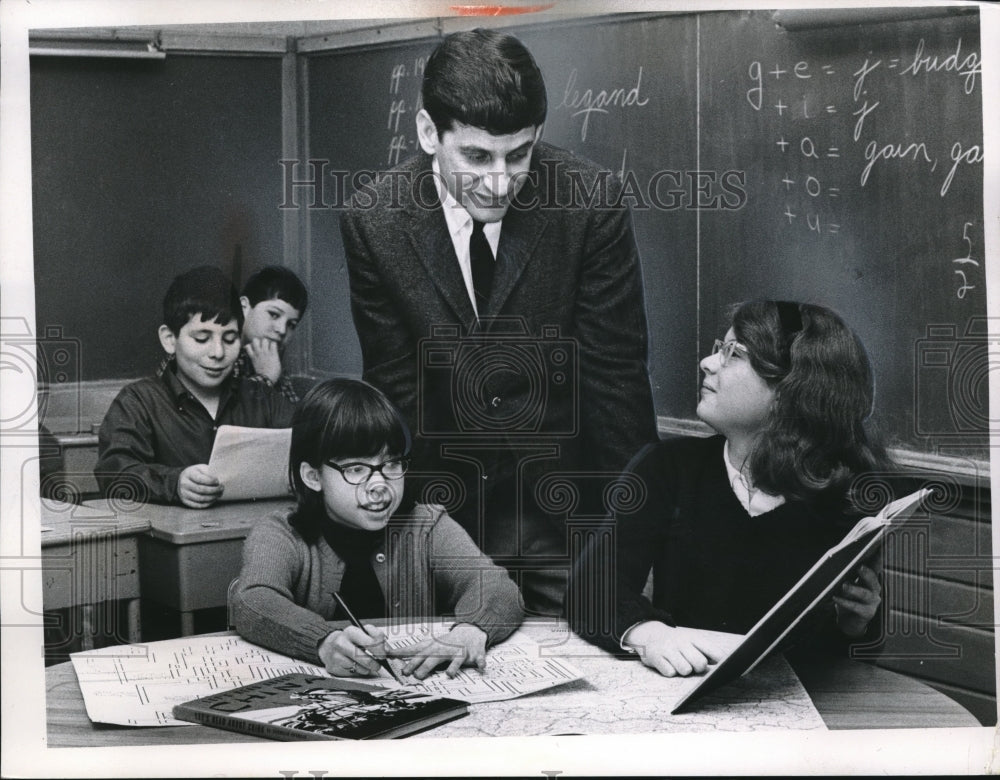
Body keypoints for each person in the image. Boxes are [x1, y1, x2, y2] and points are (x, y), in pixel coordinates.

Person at [339, 28, 657, 617]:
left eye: (520, 154)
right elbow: (395, 390)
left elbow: (616, 385)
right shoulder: (374, 221)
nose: (500, 181)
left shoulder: (590, 204)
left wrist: (635, 536)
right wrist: (402, 536)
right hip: (443, 513)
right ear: (429, 133)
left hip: (566, 513)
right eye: (477, 157)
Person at [568, 300, 892, 677]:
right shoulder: (668, 467)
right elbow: (590, 592)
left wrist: (857, 625)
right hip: (685, 687)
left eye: (733, 353)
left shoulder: (844, 496)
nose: (708, 363)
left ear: (789, 389)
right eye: (717, 348)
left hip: (789, 707)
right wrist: (648, 633)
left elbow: (851, 653)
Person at [231, 378, 524, 680]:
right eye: (356, 469)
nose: (380, 485)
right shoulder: (281, 532)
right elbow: (253, 600)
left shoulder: (425, 525)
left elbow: (496, 586)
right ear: (312, 476)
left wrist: (471, 630)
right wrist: (322, 641)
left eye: (391, 464)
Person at [95, 265, 296, 507]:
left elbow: (314, 444)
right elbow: (114, 473)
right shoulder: (138, 402)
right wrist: (175, 483)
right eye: (202, 338)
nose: (218, 352)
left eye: (230, 339)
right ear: (170, 339)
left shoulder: (262, 398)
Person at [237, 265, 309, 403]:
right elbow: (228, 418)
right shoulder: (219, 354)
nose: (282, 330)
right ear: (243, 308)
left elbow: (291, 416)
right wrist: (266, 377)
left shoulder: (270, 358)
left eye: (291, 324)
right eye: (274, 314)